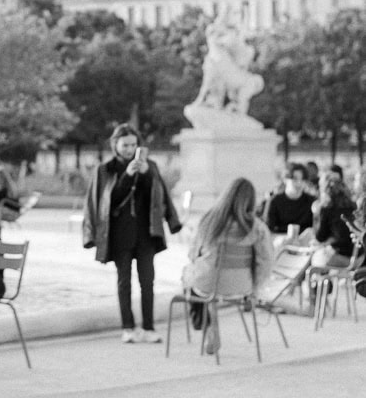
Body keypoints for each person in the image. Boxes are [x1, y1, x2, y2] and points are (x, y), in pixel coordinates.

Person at [82, 123, 182, 343]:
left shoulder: (150, 167)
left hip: (146, 233)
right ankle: (128, 327)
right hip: (119, 233)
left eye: (133, 145)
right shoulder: (105, 170)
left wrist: (146, 175)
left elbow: (160, 197)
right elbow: (105, 202)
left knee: (148, 281)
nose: (129, 149)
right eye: (125, 145)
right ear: (115, 145)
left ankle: (148, 327)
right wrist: (127, 176)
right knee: (123, 281)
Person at [180, 177, 277, 354]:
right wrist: (255, 286)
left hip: (207, 285)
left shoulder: (208, 221)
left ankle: (205, 323)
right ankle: (210, 316)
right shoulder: (257, 227)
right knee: (199, 279)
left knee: (188, 276)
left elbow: (193, 254)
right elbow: (267, 261)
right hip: (241, 286)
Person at [310, 167, 356, 277]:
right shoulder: (353, 205)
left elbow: (319, 237)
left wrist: (315, 215)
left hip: (340, 257)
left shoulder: (326, 207)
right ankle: (326, 285)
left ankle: (315, 291)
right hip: (359, 257)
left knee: (314, 257)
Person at [264, 163, 315, 238]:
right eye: (295, 179)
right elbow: (267, 231)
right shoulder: (274, 201)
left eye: (302, 180)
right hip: (279, 243)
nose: (299, 183)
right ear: (285, 180)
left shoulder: (311, 201)